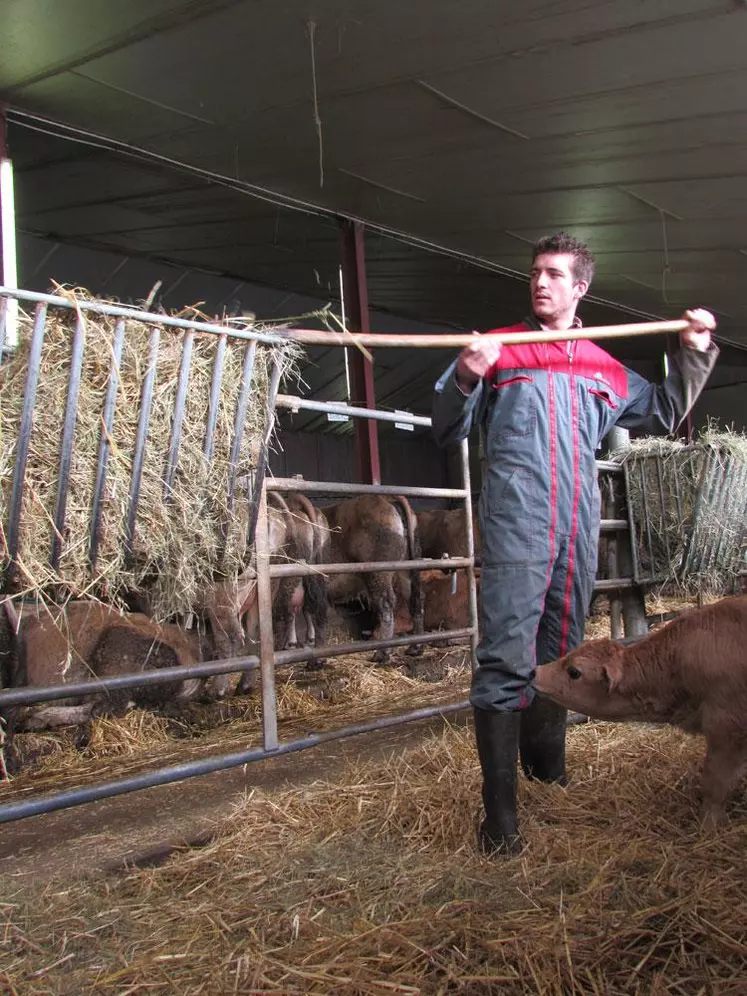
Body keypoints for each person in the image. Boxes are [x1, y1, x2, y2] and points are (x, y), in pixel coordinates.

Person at [431, 232, 719, 855]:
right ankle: (501, 821)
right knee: (507, 655)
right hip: (518, 522)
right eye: (535, 272)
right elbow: (445, 425)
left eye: (555, 274)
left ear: (580, 287)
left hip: (576, 526)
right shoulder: (500, 353)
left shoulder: (602, 365)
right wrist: (462, 374)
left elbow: (663, 412)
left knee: (561, 652)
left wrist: (692, 353)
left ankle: (549, 778)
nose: (541, 282)